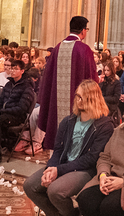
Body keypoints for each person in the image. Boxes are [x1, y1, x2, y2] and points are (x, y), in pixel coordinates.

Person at [25, 79, 114, 216]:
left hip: (86, 170)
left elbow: (92, 158)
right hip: (63, 165)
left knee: (55, 190)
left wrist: (58, 170)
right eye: (77, 96)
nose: (77, 100)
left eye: (81, 97)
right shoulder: (68, 121)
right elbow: (58, 150)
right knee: (30, 185)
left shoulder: (104, 125)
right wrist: (51, 168)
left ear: (93, 99)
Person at [38, 16, 100, 150]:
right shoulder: (84, 50)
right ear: (83, 31)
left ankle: (55, 157)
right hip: (78, 103)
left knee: (57, 137)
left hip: (56, 106)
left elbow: (47, 79)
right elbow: (91, 80)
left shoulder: (57, 48)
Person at [0, 59, 36, 161]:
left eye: (15, 69)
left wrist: (0, 112)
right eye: (11, 68)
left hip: (17, 116)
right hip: (5, 113)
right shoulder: (8, 84)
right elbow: (0, 101)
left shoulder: (27, 87)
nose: (12, 71)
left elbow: (21, 109)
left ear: (22, 71)